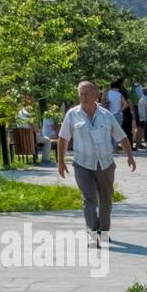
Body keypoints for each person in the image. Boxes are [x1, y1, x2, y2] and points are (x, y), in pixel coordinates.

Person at [57, 79, 136, 247]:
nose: (83, 97)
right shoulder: (72, 114)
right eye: (81, 94)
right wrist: (61, 161)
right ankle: (92, 234)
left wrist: (130, 156)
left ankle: (104, 232)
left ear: (96, 95)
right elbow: (63, 138)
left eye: (86, 94)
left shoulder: (106, 115)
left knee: (106, 200)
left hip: (105, 164)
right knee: (89, 199)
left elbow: (121, 136)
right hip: (82, 164)